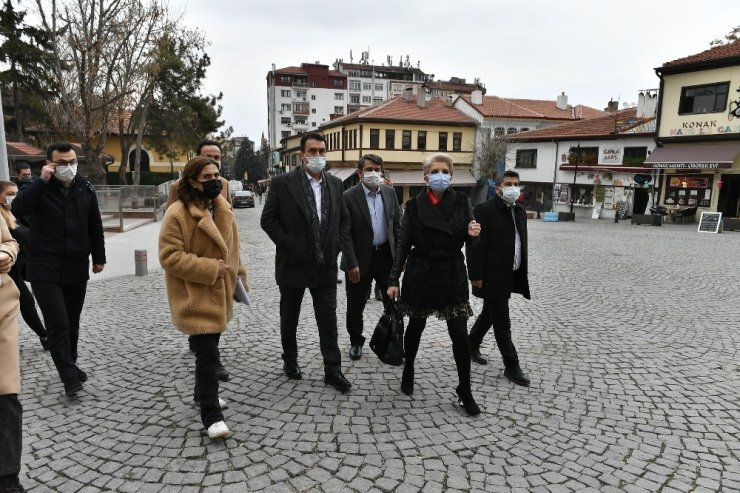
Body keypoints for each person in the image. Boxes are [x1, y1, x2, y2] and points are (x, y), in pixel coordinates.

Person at [387, 153, 482, 415]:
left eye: (446, 171)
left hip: (451, 272)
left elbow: (470, 238)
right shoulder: (414, 205)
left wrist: (473, 235)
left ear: (451, 176)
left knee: (460, 336)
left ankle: (465, 388)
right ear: (425, 176)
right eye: (435, 171)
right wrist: (394, 278)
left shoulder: (463, 201)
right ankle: (409, 367)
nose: (441, 175)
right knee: (415, 328)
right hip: (422, 271)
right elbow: (404, 243)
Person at [159, 156, 247, 439]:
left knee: (210, 351)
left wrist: (239, 276)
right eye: (207, 177)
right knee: (207, 355)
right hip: (194, 296)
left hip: (219, 294)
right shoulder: (177, 213)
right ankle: (211, 415)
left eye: (217, 176)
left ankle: (201, 393)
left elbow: (233, 249)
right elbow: (169, 256)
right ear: (192, 181)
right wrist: (210, 268)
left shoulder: (223, 208)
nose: (214, 181)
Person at [11, 142, 106, 398]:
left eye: (72, 161)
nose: (68, 167)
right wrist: (41, 181)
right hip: (44, 267)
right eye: (62, 163)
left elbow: (94, 225)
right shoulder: (36, 187)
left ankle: (70, 363)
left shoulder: (85, 189)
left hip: (76, 266)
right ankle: (68, 378)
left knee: (72, 323)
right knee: (58, 323)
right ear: (49, 164)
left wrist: (99, 257)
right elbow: (18, 209)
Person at [260, 132, 353, 392]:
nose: (318, 156)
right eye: (313, 151)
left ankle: (332, 370)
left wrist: (336, 246)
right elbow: (268, 221)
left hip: (325, 266)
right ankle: (290, 360)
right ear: (302, 155)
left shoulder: (335, 184)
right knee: (290, 316)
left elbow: (344, 220)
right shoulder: (282, 183)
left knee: (328, 319)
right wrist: (290, 245)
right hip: (293, 264)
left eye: (322, 151)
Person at [166, 139, 231, 382]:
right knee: (205, 341)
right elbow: (173, 236)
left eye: (218, 159)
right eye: (209, 158)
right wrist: (208, 267)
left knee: (215, 328)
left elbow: (228, 230)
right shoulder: (178, 193)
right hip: (196, 276)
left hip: (221, 274)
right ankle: (210, 404)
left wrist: (236, 273)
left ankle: (205, 382)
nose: (215, 164)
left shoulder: (223, 187)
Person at [467, 170, 531, 387]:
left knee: (489, 313)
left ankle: (471, 343)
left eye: (517, 183)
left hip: (511, 272)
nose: (514, 187)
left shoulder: (520, 211)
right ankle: (512, 365)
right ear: (498, 188)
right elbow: (474, 245)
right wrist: (475, 275)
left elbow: (519, 241)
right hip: (492, 274)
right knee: (502, 321)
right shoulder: (484, 210)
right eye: (509, 183)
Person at [341, 154, 401, 360]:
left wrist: (402, 257)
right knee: (355, 304)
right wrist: (351, 262)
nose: (374, 173)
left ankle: (393, 341)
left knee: (392, 303)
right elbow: (344, 233)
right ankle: (356, 341)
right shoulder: (348, 196)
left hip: (386, 257)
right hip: (359, 259)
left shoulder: (390, 193)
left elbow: (398, 226)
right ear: (359, 173)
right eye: (369, 169)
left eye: (377, 169)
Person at [0, 182, 48, 350]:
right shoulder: (1, 217)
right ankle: (45, 336)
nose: (15, 196)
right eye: (10, 193)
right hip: (7, 268)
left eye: (16, 193)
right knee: (26, 300)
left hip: (20, 264)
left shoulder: (14, 212)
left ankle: (45, 335)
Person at [0, 214, 24, 492]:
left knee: (6, 395)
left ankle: (8, 477)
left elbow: (9, 240)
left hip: (2, 310)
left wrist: (7, 252)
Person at [166, 140, 230, 208]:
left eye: (216, 157)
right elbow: (170, 215)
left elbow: (230, 213)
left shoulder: (224, 183)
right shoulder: (178, 185)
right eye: (208, 157)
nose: (213, 160)